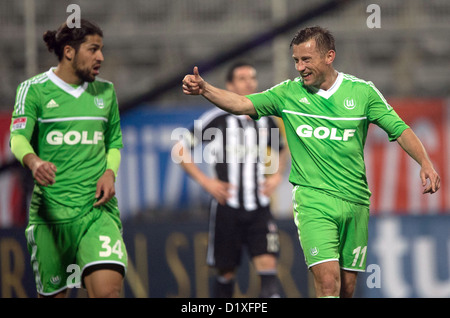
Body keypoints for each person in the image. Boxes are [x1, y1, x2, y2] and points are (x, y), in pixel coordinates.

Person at [182, 27, 440, 298]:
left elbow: (399, 129)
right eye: (296, 60)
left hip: (356, 201)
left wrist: (425, 162)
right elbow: (241, 103)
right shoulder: (287, 94)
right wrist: (205, 89)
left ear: (329, 56)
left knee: (347, 287)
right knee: (328, 283)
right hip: (313, 200)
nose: (300, 67)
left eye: (306, 60)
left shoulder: (363, 93)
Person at [9, 19, 127, 298]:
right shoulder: (34, 90)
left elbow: (114, 143)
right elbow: (18, 137)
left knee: (109, 292)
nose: (100, 57)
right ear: (69, 51)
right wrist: (33, 161)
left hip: (96, 213)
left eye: (101, 49)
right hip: (51, 217)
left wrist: (110, 172)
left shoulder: (106, 92)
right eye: (93, 49)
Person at [175, 62, 289, 298]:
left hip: (259, 207)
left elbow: (282, 148)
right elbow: (180, 149)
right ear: (229, 85)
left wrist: (277, 175)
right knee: (226, 274)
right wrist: (207, 182)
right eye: (242, 78)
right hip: (227, 208)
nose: (249, 82)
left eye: (252, 77)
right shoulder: (217, 120)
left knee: (268, 270)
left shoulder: (265, 119)